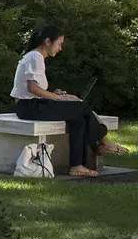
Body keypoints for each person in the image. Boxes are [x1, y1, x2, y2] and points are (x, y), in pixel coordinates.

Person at [10, 25, 126, 177]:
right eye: (59, 44)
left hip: (31, 105)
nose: (60, 48)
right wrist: (58, 98)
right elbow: (32, 89)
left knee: (78, 119)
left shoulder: (35, 56)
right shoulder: (36, 56)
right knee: (81, 106)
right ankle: (102, 142)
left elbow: (34, 89)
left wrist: (55, 95)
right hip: (29, 107)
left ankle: (77, 166)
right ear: (47, 41)